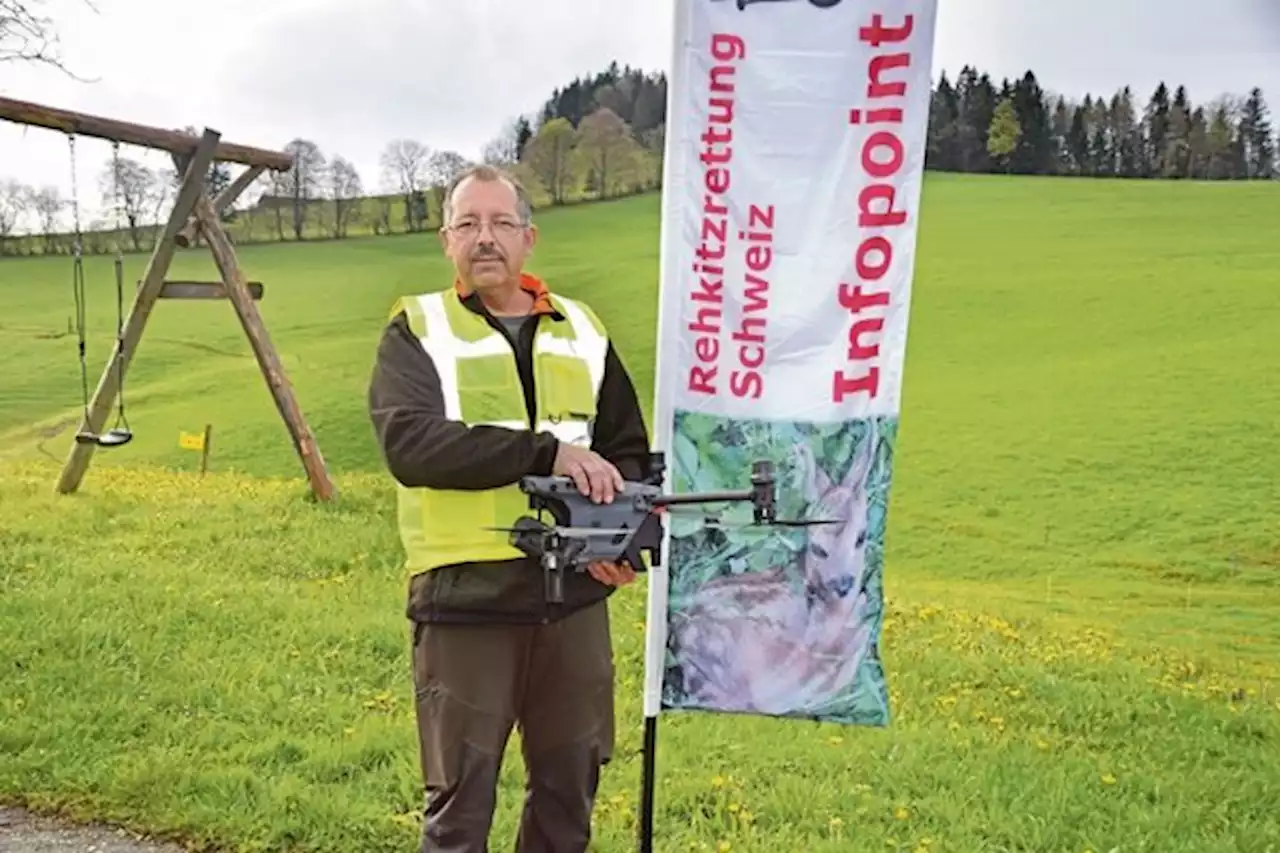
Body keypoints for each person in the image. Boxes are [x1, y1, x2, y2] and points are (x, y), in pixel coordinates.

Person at [367, 163, 652, 853]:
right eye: (468, 224)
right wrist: (545, 453)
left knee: (568, 796)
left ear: (529, 237)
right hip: (465, 599)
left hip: (574, 604)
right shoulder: (418, 328)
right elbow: (411, 442)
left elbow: (627, 450)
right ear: (446, 241)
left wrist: (620, 542)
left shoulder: (584, 329)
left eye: (499, 223)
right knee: (461, 809)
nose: (484, 238)